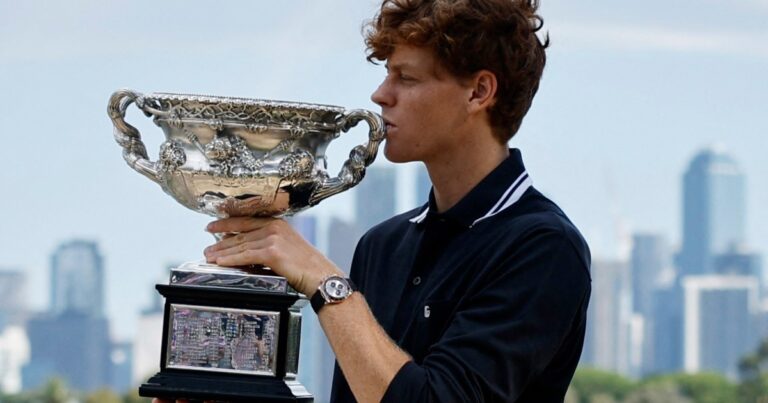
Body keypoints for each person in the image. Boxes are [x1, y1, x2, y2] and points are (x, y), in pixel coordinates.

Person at [157, 0, 590, 401]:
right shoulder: (383, 245)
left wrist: (325, 281)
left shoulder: (544, 248)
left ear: (479, 92)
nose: (381, 94)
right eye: (386, 74)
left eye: (406, 77)